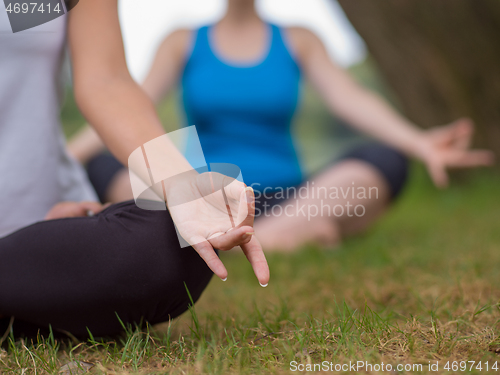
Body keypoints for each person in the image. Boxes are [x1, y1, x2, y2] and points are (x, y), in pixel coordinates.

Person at [70, 0, 494, 252]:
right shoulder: (182, 39)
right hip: (202, 197)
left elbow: (351, 98)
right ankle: (286, 238)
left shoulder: (298, 37)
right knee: (107, 163)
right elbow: (122, 104)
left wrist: (420, 144)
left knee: (385, 160)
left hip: (288, 198)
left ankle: (257, 240)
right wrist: (64, 157)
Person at [0, 0, 268, 339]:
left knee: (171, 242)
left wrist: (183, 185)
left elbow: (106, 80)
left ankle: (19, 287)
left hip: (33, 229)